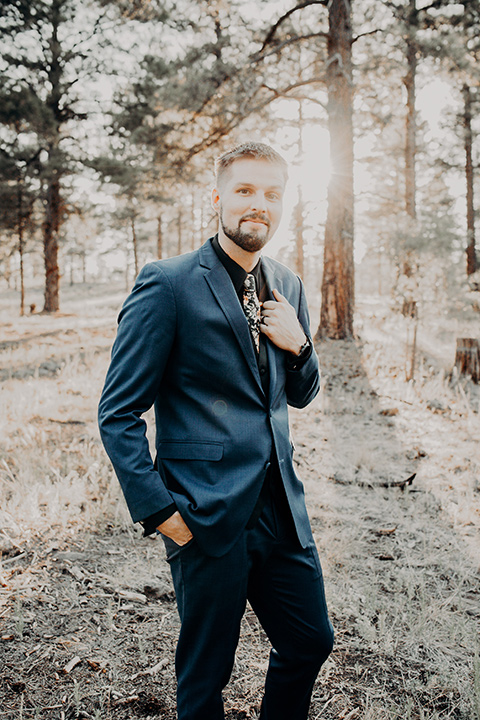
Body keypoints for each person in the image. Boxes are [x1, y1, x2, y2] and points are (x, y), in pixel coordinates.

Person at [98, 141, 334, 720]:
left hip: (281, 510)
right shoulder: (169, 284)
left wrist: (298, 345)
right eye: (246, 190)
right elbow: (118, 412)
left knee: (310, 641)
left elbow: (299, 394)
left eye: (273, 194)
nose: (260, 205)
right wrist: (162, 514)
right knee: (207, 675)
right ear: (218, 197)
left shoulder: (289, 285)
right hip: (202, 515)